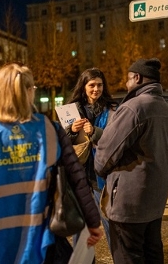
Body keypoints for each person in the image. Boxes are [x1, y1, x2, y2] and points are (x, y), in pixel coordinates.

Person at [0, 63, 103, 264]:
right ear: (28, 93)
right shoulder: (49, 130)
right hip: (40, 236)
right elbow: (77, 180)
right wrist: (93, 222)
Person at [94, 58, 168, 264]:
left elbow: (107, 151)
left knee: (127, 255)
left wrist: (99, 169)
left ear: (137, 78)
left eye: (128, 79)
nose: (126, 84)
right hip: (155, 198)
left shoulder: (133, 107)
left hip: (129, 202)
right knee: (152, 253)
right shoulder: (164, 108)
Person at [64, 68, 118, 249]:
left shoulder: (112, 110)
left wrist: (95, 132)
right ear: (84, 86)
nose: (96, 89)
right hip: (79, 176)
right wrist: (72, 130)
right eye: (92, 85)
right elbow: (63, 140)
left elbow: (116, 139)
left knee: (109, 221)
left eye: (100, 85)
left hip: (101, 175)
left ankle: (118, 258)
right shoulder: (72, 108)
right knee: (82, 227)